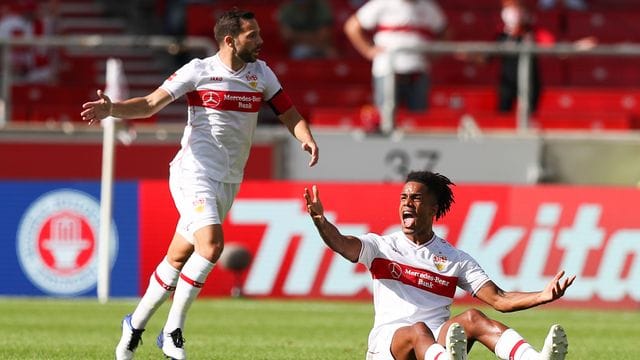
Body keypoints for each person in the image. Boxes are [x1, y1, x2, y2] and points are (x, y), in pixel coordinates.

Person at [81, 8, 319, 360]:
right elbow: (149, 104)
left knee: (178, 256)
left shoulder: (261, 74)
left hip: (228, 180)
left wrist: (305, 136)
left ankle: (134, 325)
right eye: (252, 35)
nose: (260, 40)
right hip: (193, 172)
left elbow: (288, 111)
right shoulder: (199, 71)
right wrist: (112, 108)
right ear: (229, 40)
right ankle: (173, 330)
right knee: (211, 246)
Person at [304, 170, 575, 360]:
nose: (407, 203)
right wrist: (321, 221)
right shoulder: (381, 246)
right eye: (403, 198)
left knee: (473, 318)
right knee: (418, 330)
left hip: (436, 344)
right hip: (389, 347)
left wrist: (542, 295)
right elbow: (341, 243)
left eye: (416, 198)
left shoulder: (454, 258)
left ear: (433, 209)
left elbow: (500, 299)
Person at [344, 0, 448, 122]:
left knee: (419, 120)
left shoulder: (428, 6)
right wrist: (367, 50)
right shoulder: (382, 3)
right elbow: (352, 26)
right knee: (386, 119)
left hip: (418, 73)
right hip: (388, 72)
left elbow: (445, 30)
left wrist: (435, 53)